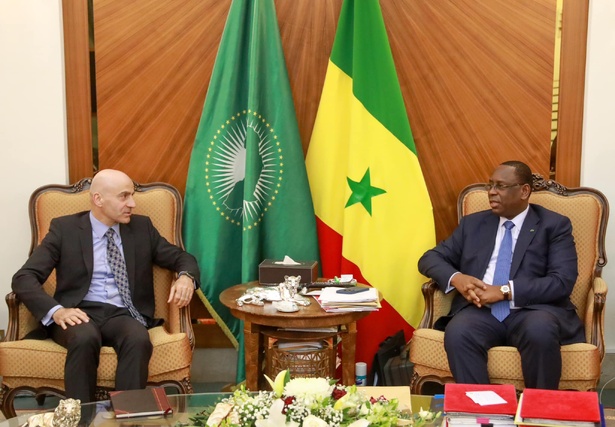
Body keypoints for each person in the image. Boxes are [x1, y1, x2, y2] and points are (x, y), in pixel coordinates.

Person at [12, 169, 200, 402]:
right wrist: (57, 311)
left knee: (138, 338)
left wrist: (185, 277)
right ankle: (81, 415)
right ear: (98, 199)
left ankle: (128, 414)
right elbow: (24, 277)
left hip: (122, 314)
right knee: (84, 337)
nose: (132, 204)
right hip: (79, 311)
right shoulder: (65, 229)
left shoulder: (141, 228)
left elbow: (181, 257)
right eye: (124, 196)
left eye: (132, 196)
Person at [418, 160, 584, 389]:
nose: (492, 192)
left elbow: (561, 282)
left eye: (501, 186)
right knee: (459, 332)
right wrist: (458, 278)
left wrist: (505, 291)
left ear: (524, 191)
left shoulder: (554, 225)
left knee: (540, 331)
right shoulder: (473, 224)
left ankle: (538, 408)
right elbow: (429, 258)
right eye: (490, 185)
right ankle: (482, 407)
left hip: (533, 310)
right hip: (481, 310)